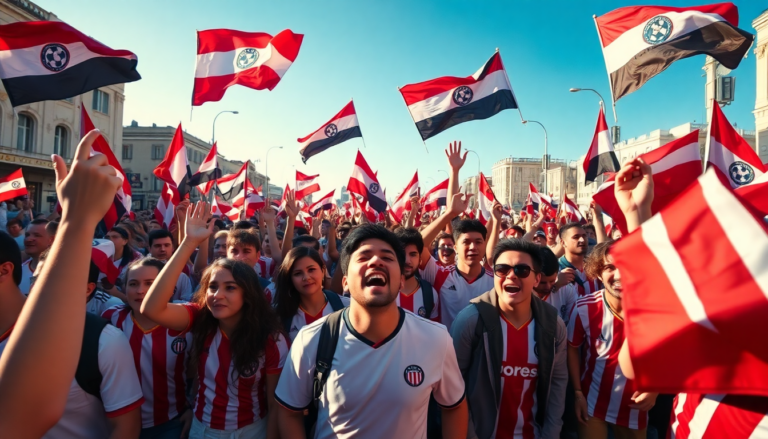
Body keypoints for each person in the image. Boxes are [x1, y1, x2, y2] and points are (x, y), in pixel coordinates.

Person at [275, 224, 467, 438]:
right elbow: (289, 411)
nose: (376, 262)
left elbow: (455, 407)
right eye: (364, 257)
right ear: (345, 280)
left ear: (401, 278)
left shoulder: (436, 339)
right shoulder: (312, 338)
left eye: (387, 257)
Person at [141, 201, 288, 438]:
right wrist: (189, 243)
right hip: (202, 429)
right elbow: (152, 308)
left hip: (252, 431)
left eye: (230, 288)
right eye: (212, 287)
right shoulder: (200, 317)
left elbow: (274, 403)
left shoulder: (271, 338)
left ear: (247, 294)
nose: (218, 295)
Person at [451, 239, 567, 439]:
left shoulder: (553, 326)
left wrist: (551, 433)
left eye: (522, 270)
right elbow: (453, 385)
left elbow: (558, 382)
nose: (511, 276)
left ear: (537, 279)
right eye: (502, 269)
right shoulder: (470, 320)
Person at [567, 241, 657, 439]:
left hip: (634, 407)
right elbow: (572, 349)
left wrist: (656, 389)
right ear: (598, 272)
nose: (619, 275)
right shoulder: (583, 308)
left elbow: (668, 356)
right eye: (610, 267)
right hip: (591, 403)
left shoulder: (655, 310)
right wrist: (577, 393)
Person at [103, 257, 194, 438]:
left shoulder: (187, 322)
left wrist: (194, 407)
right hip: (116, 424)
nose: (140, 290)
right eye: (133, 283)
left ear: (168, 288)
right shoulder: (111, 319)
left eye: (150, 284)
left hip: (172, 421)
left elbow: (200, 370)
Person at [419, 141, 493, 331]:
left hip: (481, 358)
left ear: (485, 244)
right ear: (455, 246)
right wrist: (449, 213)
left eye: (478, 242)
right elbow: (419, 245)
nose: (472, 247)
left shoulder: (496, 280)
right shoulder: (441, 274)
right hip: (445, 355)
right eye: (466, 242)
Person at [274, 246, 349, 341]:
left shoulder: (347, 306)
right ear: (290, 279)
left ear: (323, 271)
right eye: (298, 273)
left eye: (311, 270)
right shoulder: (280, 317)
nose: (306, 277)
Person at [395, 227, 439, 321]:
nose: (407, 260)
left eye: (413, 254)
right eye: (402, 254)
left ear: (420, 260)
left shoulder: (430, 294)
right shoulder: (383, 291)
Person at [535, 247, 578, 326]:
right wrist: (555, 286)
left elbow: (572, 322)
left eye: (552, 281)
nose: (548, 287)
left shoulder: (567, 289)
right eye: (542, 283)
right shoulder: (521, 292)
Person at [148, 229, 193, 301]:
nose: (162, 249)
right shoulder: (140, 272)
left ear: (172, 248)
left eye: (166, 245)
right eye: (157, 246)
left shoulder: (182, 277)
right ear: (150, 249)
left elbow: (187, 301)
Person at [557, 223, 601, 297]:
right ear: (563, 242)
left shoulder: (594, 267)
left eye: (584, 236)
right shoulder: (556, 270)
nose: (582, 240)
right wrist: (556, 285)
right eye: (576, 237)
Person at [18, 218, 54, 295]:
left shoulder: (64, 273)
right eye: (27, 235)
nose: (28, 239)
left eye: (37, 235)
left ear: (52, 240)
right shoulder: (18, 272)